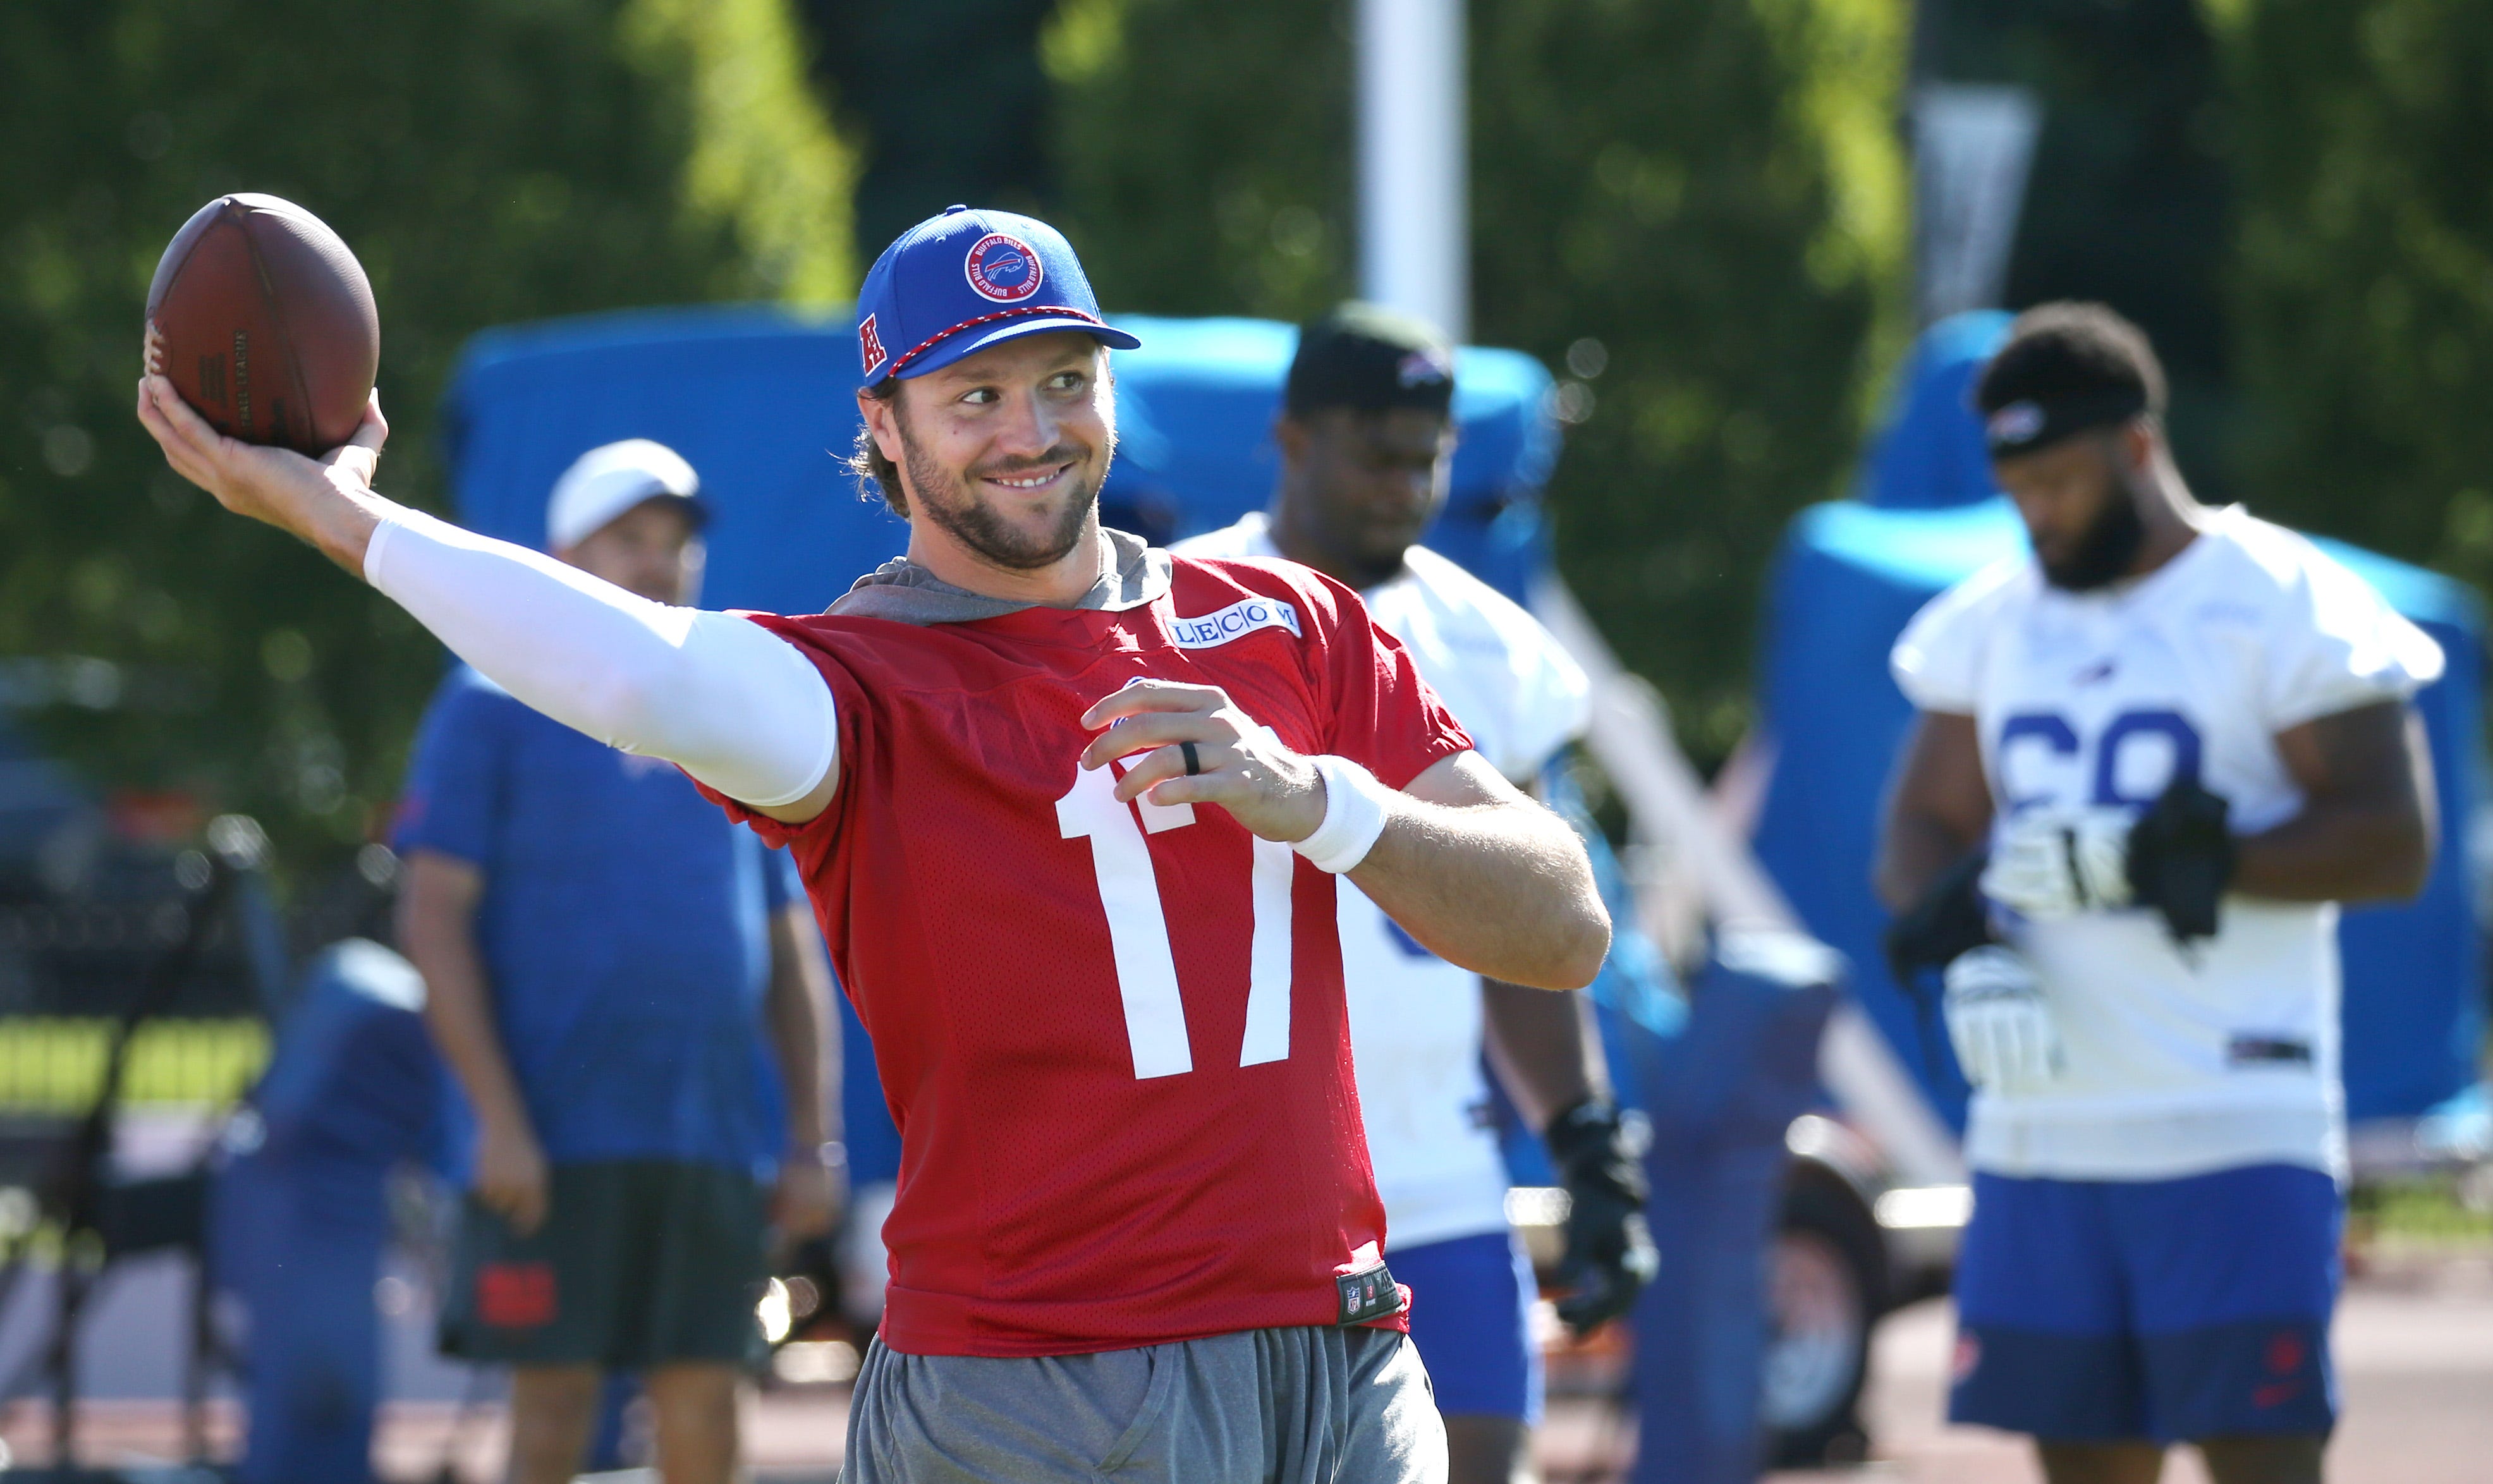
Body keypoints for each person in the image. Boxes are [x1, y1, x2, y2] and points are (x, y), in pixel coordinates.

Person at [137, 205, 1609, 1484]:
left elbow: (1563, 923)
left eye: (1063, 380)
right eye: (974, 395)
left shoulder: (1287, 622)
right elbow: (634, 668)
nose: (1031, 429)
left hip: (1345, 1352)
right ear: (883, 428)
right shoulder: (859, 690)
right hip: (1048, 1383)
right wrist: (351, 522)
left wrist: (1320, 801)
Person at [1874, 303, 2441, 1484]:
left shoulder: (2282, 599)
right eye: (2018, 488)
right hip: (2044, 1133)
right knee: (2080, 1466)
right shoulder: (1994, 621)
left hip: (2233, 1115)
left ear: (2138, 447)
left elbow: (2393, 842)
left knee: (2263, 1462)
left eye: (2064, 482)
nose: (2039, 515)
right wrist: (1970, 946)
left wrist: (2166, 864)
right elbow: (1919, 832)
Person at [1176, 304, 1655, 1484]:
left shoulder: (1489, 644)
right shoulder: (1180, 613)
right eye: (1375, 454)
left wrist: (1585, 1141)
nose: (1405, 486)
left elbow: (1524, 922)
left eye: (1428, 456)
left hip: (1439, 1174)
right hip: (1242, 1181)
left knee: (1486, 1461)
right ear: (1291, 441)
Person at [392, 439, 839, 1484]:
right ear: (559, 557)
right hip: (551, 1141)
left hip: (709, 1140)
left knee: (706, 1399)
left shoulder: (722, 714)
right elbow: (432, 923)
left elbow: (787, 949)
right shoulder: (486, 706)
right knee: (551, 1408)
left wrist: (812, 1139)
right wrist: (497, 1123)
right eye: (628, 539)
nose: (659, 563)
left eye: (675, 544)